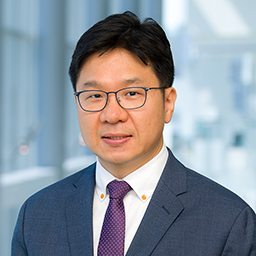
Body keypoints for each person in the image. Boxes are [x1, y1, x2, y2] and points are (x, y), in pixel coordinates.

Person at [12, 11, 256, 256]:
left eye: (131, 94)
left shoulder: (229, 223)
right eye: (95, 96)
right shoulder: (36, 216)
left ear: (168, 103)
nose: (112, 115)